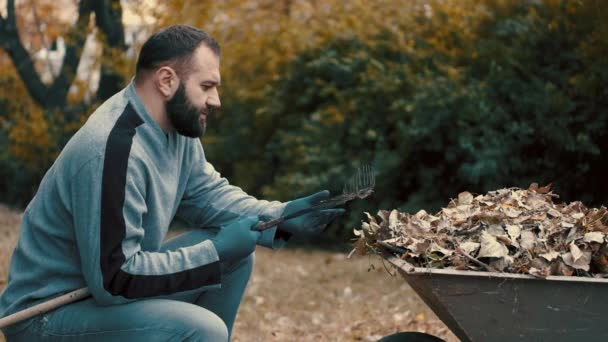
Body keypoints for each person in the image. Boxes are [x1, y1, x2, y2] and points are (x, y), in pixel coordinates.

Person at [0, 24, 344, 341]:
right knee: (203, 327)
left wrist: (280, 216)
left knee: (236, 257)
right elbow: (115, 279)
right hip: (47, 314)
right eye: (207, 86)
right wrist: (214, 252)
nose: (216, 100)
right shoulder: (113, 149)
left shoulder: (175, 128)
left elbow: (207, 195)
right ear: (167, 81)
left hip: (97, 296)